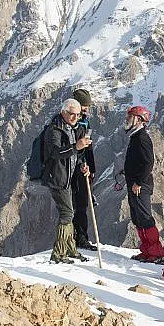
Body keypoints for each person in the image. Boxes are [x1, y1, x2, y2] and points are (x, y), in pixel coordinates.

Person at [43, 98, 93, 264]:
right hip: (57, 178)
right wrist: (76, 147)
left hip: (68, 177)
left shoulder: (72, 128)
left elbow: (75, 156)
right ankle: (58, 253)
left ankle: (70, 248)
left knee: (69, 213)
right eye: (71, 114)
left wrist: (81, 166)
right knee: (67, 213)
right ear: (63, 112)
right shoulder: (54, 130)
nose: (75, 117)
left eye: (78, 115)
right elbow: (56, 152)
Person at [123, 105, 164, 262]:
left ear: (138, 119)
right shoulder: (135, 136)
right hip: (134, 184)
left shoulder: (142, 137)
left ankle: (156, 253)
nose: (127, 119)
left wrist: (139, 182)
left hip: (140, 185)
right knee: (137, 217)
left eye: (130, 117)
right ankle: (147, 251)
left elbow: (148, 162)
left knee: (145, 217)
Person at [71, 88, 99, 250]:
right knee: (73, 206)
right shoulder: (69, 121)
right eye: (85, 107)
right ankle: (73, 238)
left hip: (82, 168)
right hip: (70, 169)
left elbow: (88, 145)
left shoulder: (85, 122)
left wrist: (92, 168)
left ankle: (81, 237)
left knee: (81, 204)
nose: (87, 110)